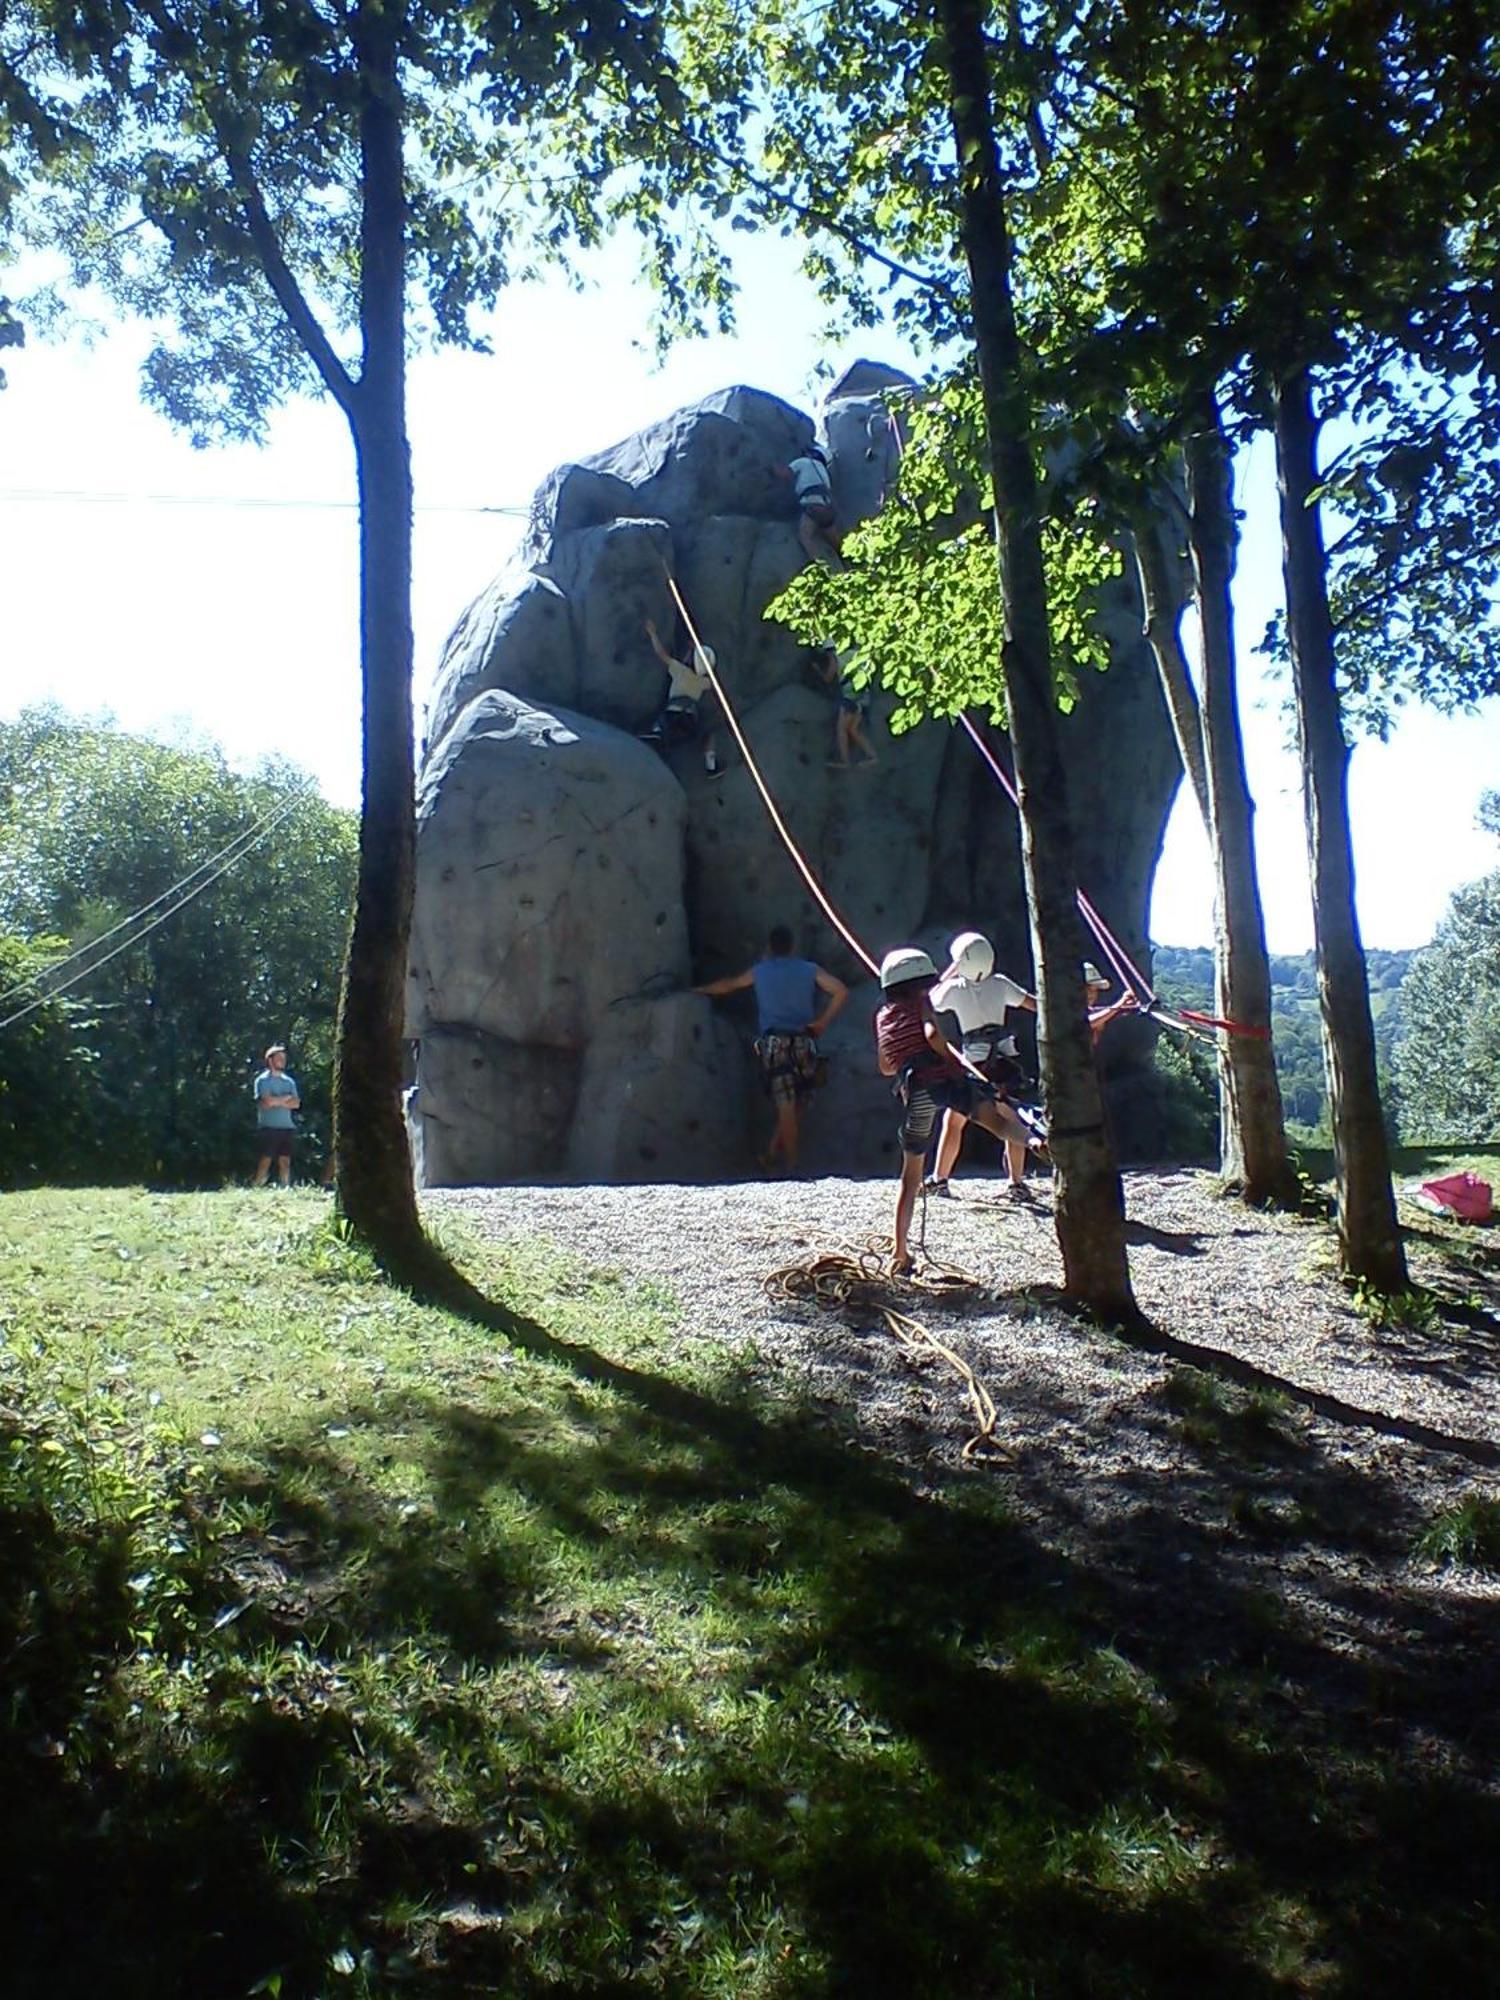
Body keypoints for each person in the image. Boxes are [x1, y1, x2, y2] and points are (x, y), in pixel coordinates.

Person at [875, 946, 1044, 1275]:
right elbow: (933, 1034)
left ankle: (900, 1251)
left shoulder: (881, 1017)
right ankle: (1036, 1142)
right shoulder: (923, 1004)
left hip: (916, 1093)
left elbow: (885, 1065)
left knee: (910, 1177)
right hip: (944, 1079)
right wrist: (950, 1059)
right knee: (994, 1119)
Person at [695, 925, 848, 1173]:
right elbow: (840, 990)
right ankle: (772, 1154)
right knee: (799, 1101)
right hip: (804, 1040)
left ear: (769, 947)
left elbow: (729, 985)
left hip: (774, 1043)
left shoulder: (760, 971)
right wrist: (822, 1021)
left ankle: (791, 1164)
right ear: (792, 946)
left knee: (785, 1103)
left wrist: (699, 990)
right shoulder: (808, 969)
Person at [927, 930, 1039, 1198]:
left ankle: (940, 1179)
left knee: (954, 1121)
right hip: (1005, 1060)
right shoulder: (1000, 984)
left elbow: (929, 1001)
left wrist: (950, 972)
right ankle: (1017, 1184)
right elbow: (1034, 1004)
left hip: (975, 1064)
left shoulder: (954, 989)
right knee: (1013, 1118)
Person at [643, 617, 724, 778]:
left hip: (670, 717)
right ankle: (711, 766)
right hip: (690, 720)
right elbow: (713, 682)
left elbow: (661, 654)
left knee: (660, 730)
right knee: (709, 736)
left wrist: (653, 633)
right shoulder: (704, 682)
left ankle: (656, 734)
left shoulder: (679, 670)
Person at [778, 441, 843, 568]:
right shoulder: (823, 470)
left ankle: (821, 568)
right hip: (828, 507)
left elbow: (785, 474)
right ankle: (850, 561)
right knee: (835, 542)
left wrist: (772, 468)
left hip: (812, 504)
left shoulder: (804, 462)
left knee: (806, 536)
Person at [814, 646, 878, 768]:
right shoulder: (857, 653)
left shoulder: (836, 656)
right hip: (864, 695)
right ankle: (872, 756)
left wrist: (817, 671)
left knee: (841, 728)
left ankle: (845, 761)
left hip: (850, 697)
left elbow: (828, 678)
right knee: (853, 729)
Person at [252, 1042, 300, 1186]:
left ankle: (285, 1186)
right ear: (270, 1060)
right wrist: (285, 1099)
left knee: (285, 1159)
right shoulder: (262, 1080)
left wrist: (276, 1101)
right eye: (279, 1057)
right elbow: (266, 1102)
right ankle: (257, 1186)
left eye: (284, 1058)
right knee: (266, 1158)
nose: (282, 1061)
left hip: (287, 1126)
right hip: (268, 1126)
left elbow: (296, 1103)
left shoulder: (289, 1081)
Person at [1085, 961, 1140, 1042]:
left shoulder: (1090, 1012)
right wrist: (1119, 1005)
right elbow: (1085, 1024)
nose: (1092, 994)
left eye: (1095, 989)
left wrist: (1122, 1008)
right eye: (1087, 988)